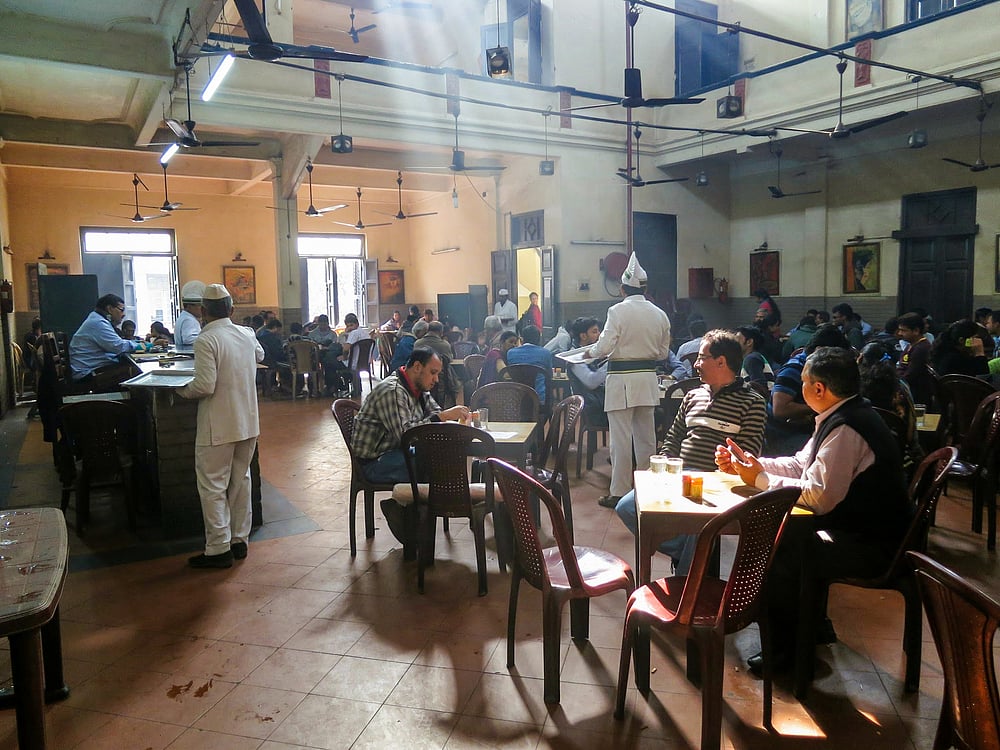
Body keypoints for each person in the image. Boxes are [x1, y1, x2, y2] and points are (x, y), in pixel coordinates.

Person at [715, 346, 910, 674]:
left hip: (876, 545)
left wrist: (759, 480)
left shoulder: (848, 428)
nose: (799, 389)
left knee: (782, 547)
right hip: (861, 529)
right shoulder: (842, 414)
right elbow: (801, 464)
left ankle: (787, 654)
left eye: (802, 382)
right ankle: (811, 628)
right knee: (787, 534)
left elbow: (818, 497)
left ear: (818, 388)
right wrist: (754, 464)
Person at [613, 329, 767, 573]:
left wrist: (726, 464)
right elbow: (674, 437)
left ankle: (687, 582)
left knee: (700, 525)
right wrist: (663, 464)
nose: (696, 364)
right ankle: (689, 551)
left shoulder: (752, 402)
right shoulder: (693, 396)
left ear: (721, 362)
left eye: (701, 358)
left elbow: (748, 453)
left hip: (716, 484)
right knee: (627, 507)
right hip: (679, 476)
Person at [177, 284, 265, 569]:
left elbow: (204, 385)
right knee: (241, 481)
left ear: (203, 311)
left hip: (218, 425)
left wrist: (178, 390)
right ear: (232, 309)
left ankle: (218, 549)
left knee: (213, 486)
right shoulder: (247, 333)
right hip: (247, 422)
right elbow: (260, 355)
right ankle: (239, 541)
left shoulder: (206, 339)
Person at [350, 348, 469, 541]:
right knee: (428, 466)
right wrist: (442, 417)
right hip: (373, 462)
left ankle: (413, 517)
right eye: (433, 372)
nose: (436, 379)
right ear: (417, 367)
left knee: (437, 460)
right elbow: (406, 435)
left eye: (438, 374)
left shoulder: (418, 388)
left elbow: (435, 412)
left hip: (395, 451)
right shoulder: (393, 391)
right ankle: (409, 519)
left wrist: (443, 417)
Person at [585, 253, 672, 508]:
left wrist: (590, 352)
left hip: (621, 381)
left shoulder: (617, 311)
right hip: (648, 381)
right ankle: (647, 490)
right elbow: (663, 353)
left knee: (620, 441)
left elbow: (604, 347)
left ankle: (619, 492)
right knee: (647, 439)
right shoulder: (660, 314)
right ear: (644, 288)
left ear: (622, 289)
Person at [765, 323, 850, 457]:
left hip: (801, 429)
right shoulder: (794, 368)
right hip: (782, 434)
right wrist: (823, 405)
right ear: (819, 350)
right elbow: (779, 409)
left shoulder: (819, 370)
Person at [69, 293, 159, 391]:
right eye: (121, 310)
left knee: (130, 367)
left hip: (91, 369)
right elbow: (118, 346)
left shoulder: (97, 319)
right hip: (87, 376)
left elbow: (117, 343)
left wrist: (139, 344)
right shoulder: (98, 323)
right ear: (109, 309)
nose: (123, 314)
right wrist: (147, 346)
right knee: (135, 371)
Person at [504, 324, 553, 402]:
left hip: (517, 400)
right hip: (539, 399)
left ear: (522, 339)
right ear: (539, 339)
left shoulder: (511, 353)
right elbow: (549, 375)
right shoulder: (546, 353)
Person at [895, 312, 934, 408]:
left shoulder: (921, 348)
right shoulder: (911, 345)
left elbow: (910, 375)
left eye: (903, 330)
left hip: (917, 396)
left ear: (916, 330)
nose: (900, 333)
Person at [736, 326, 775, 392]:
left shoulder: (751, 359)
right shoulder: (752, 358)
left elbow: (759, 387)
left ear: (749, 342)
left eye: (737, 339)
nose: (734, 343)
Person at [175, 280, 205, 351]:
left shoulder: (184, 317)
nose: (202, 309)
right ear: (189, 306)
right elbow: (189, 339)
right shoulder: (189, 320)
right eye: (199, 306)